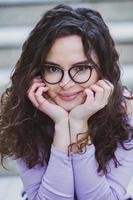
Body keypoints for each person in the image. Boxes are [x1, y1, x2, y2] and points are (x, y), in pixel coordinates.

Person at [0, 4, 133, 200]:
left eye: (80, 68)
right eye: (53, 69)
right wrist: (62, 125)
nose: (65, 83)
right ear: (38, 72)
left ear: (102, 70)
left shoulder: (125, 111)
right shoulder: (24, 113)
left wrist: (79, 123)